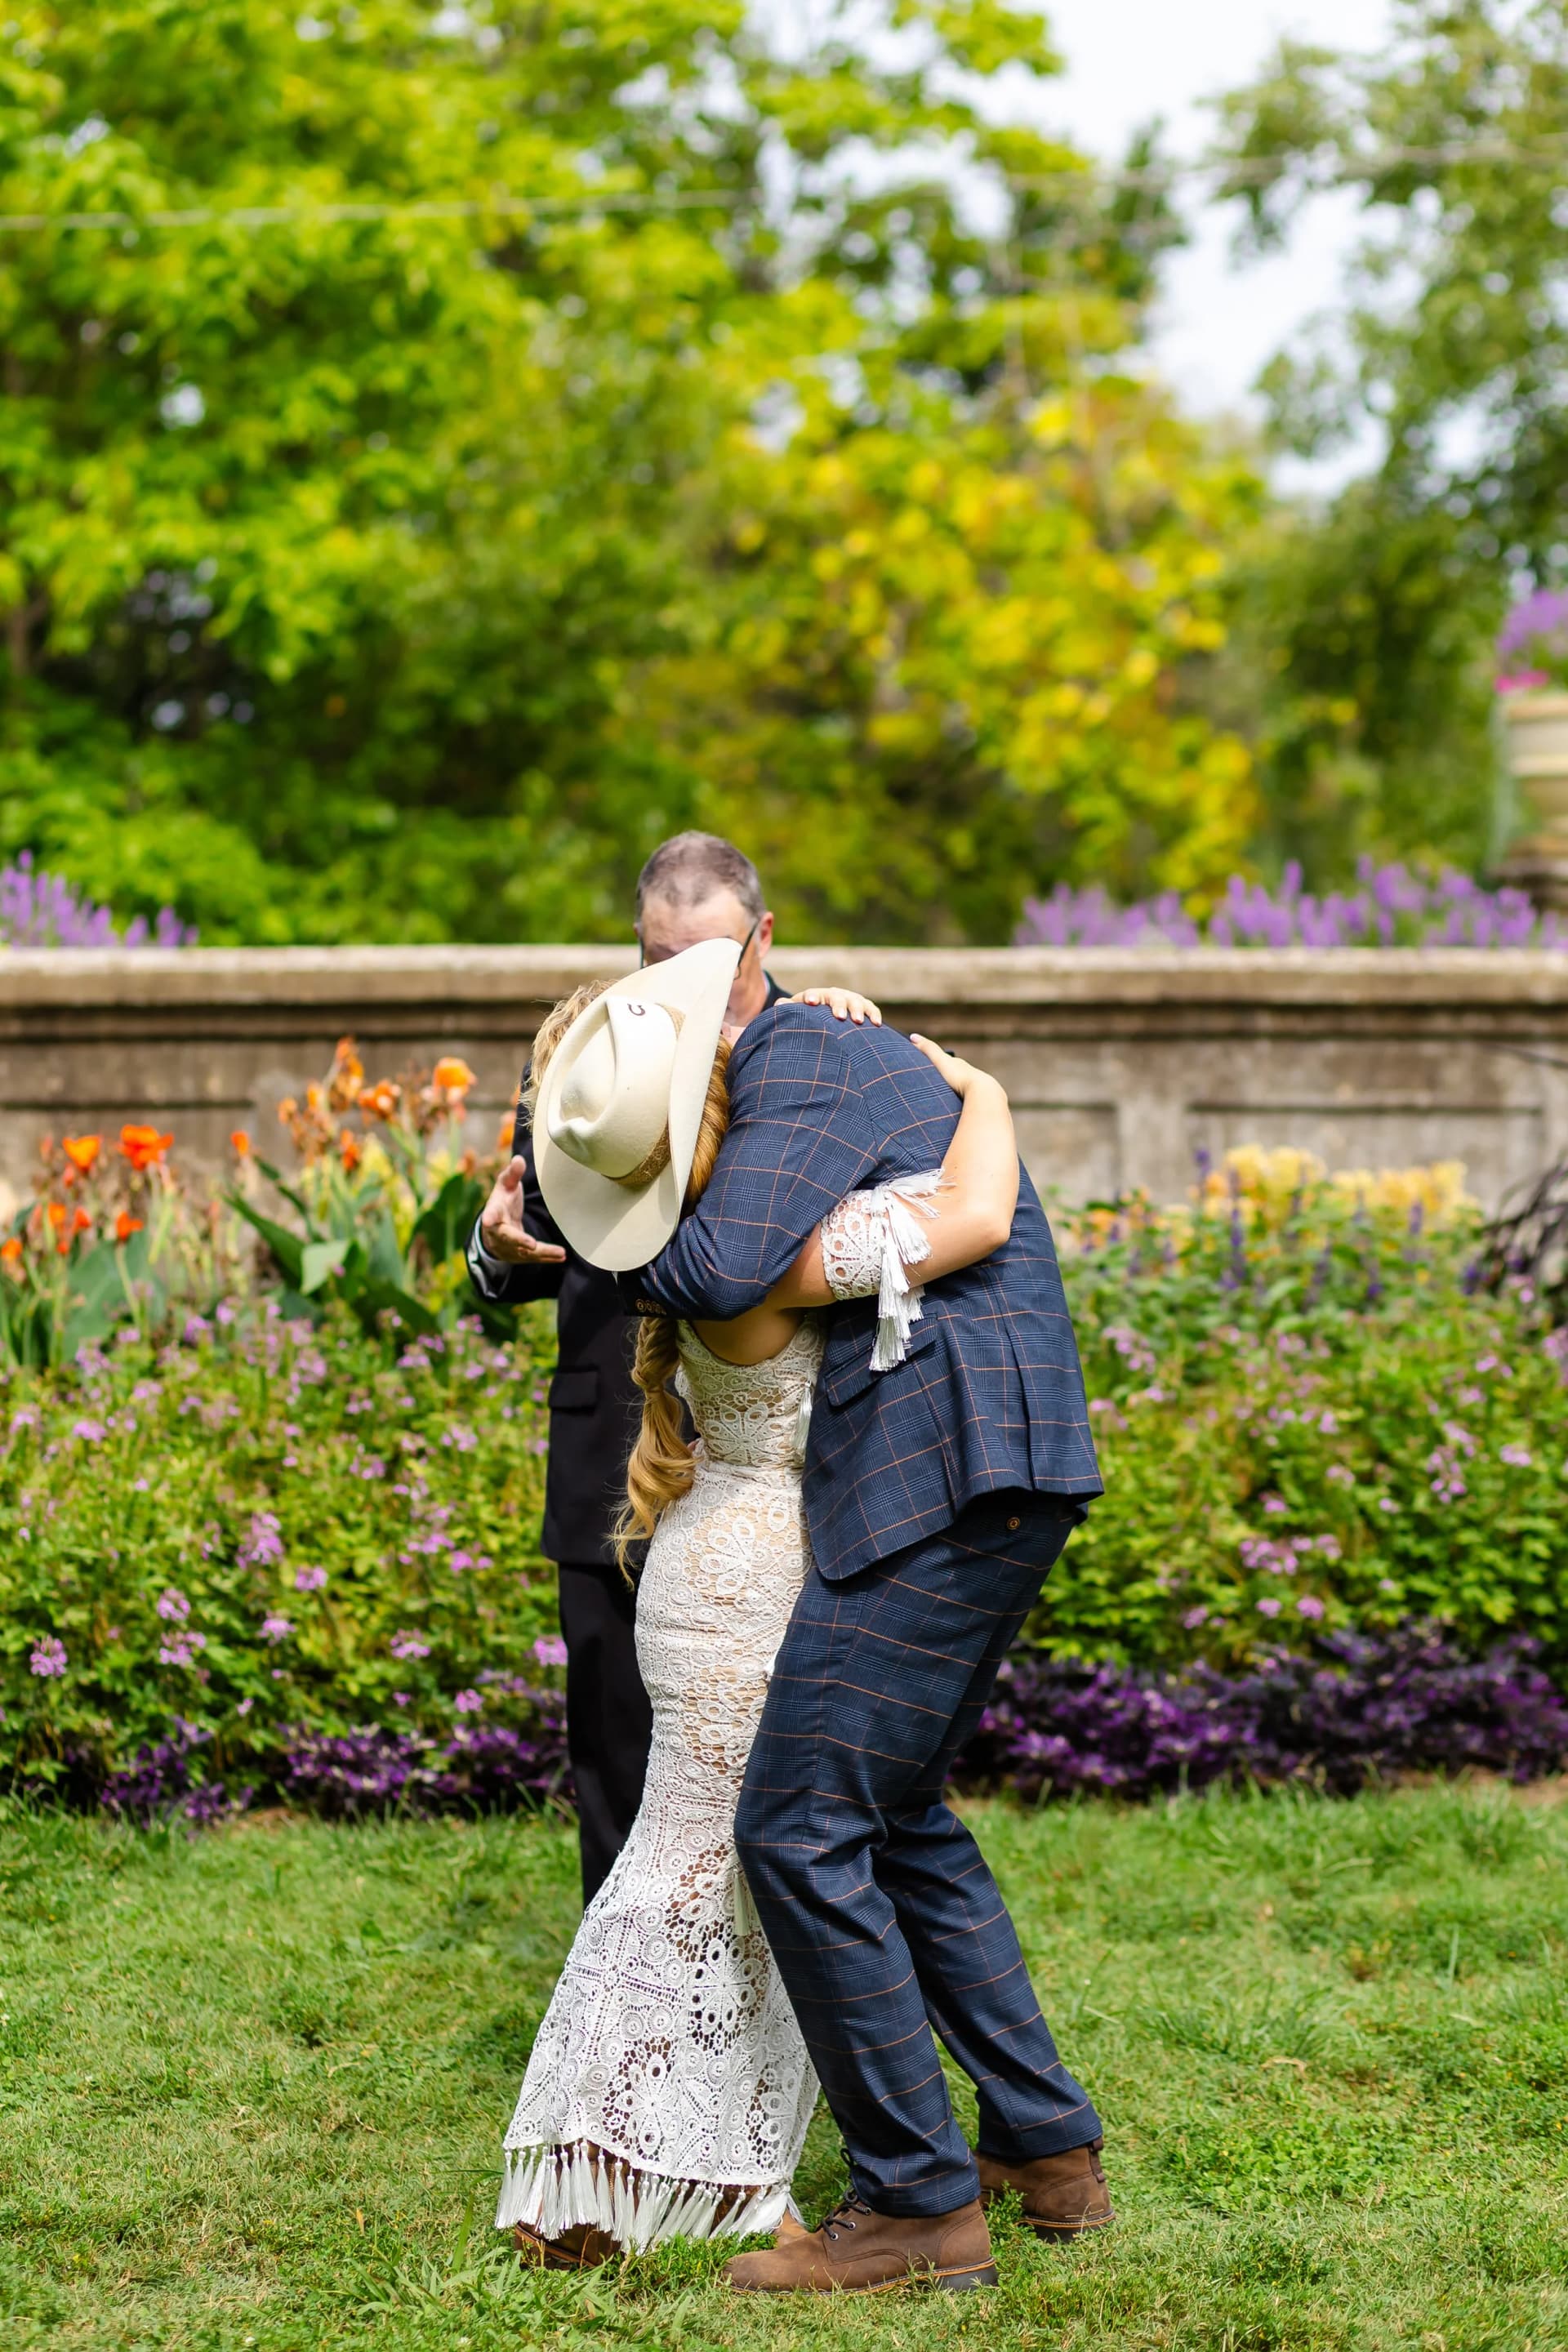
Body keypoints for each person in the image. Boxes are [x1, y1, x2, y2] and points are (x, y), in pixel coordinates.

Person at [493, 939, 1022, 2271]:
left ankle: (596, 2167)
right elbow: (976, 1215)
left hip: (699, 1566)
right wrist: (977, 1084)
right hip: (768, 1575)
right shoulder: (770, 1255)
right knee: (738, 1883)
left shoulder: (674, 1243)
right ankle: (720, 2182)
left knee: (667, 1868)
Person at [623, 955, 1111, 2293]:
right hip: (997, 1483)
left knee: (799, 1825)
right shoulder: (788, 1215)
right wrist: (980, 1085)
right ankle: (1047, 2149)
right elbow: (976, 1203)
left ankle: (914, 2208)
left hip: (936, 1500)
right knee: (896, 1818)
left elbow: (961, 1219)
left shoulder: (755, 1236)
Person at [468, 834, 876, 1901]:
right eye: (658, 955)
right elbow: (522, 1247)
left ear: (764, 936)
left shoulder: (824, 1040)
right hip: (613, 1445)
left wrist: (850, 1042)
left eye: (709, 957)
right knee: (612, 1741)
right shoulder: (586, 1051)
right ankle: (619, 1997)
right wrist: (494, 1247)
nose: (682, 980)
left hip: (780, 1459)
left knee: (779, 1740)